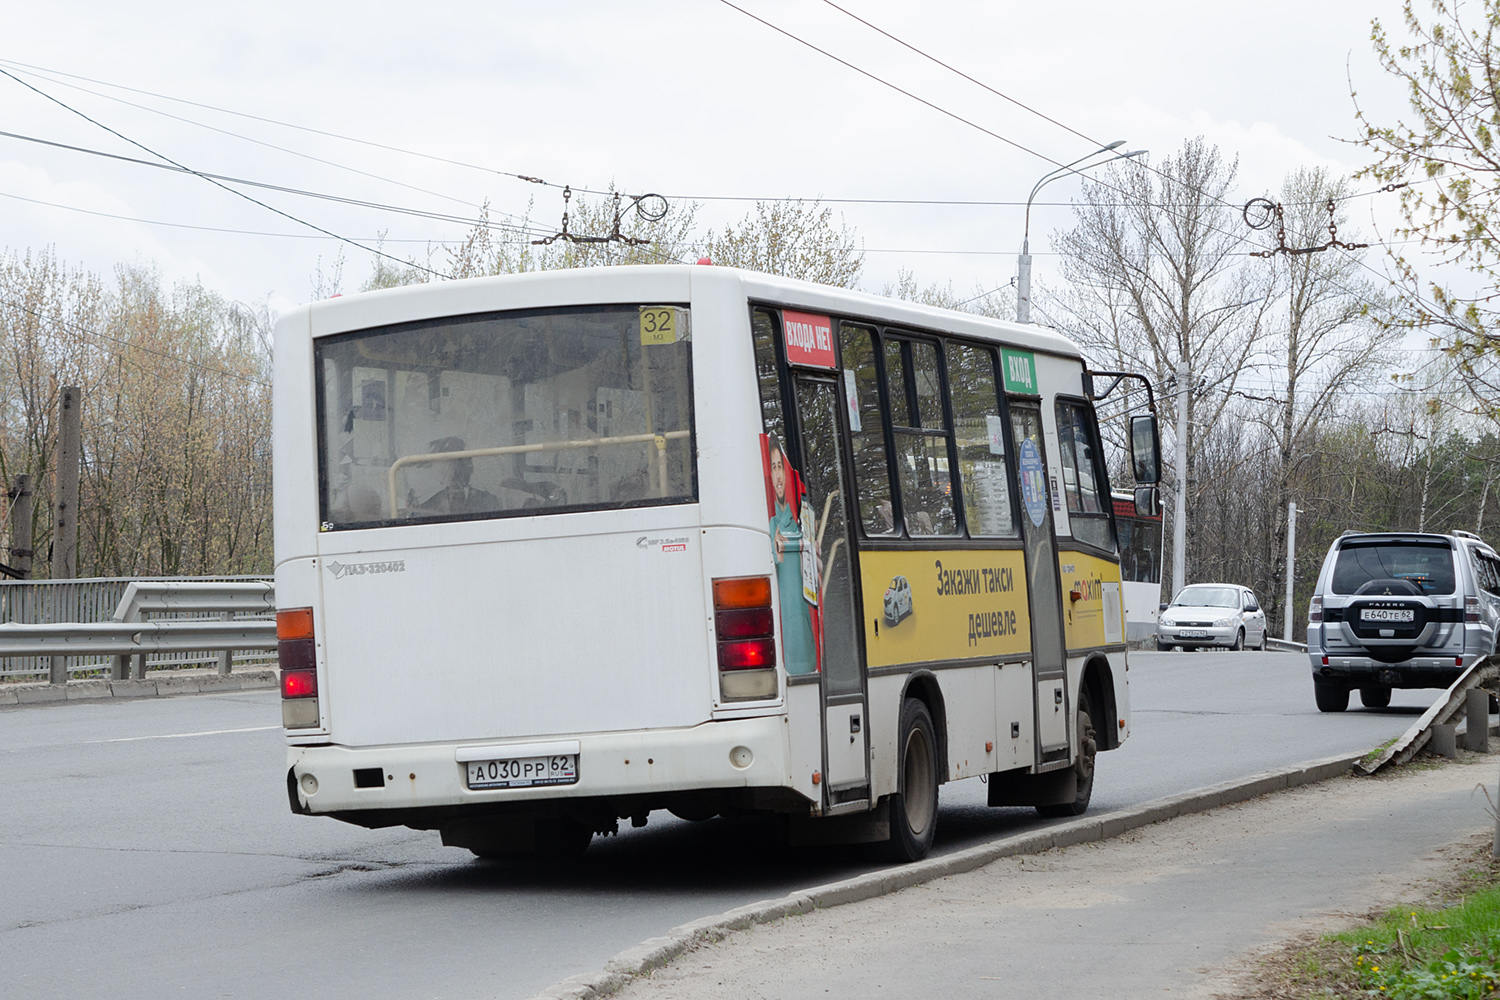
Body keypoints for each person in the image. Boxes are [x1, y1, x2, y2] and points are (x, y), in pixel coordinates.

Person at [768, 435, 818, 675]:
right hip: (786, 636)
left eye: (780, 467)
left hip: (807, 624)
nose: (778, 475)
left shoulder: (800, 516)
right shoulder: (770, 524)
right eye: (773, 468)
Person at [414, 436, 500, 515]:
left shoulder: (489, 501)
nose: (455, 467)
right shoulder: (425, 508)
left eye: (465, 460)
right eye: (448, 461)